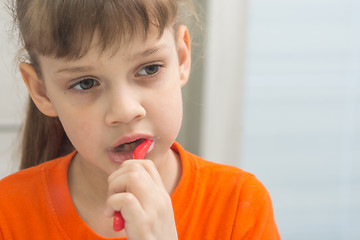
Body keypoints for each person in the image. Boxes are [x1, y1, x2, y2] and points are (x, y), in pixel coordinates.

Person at [0, 0, 280, 239]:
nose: (125, 110)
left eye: (149, 68)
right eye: (85, 83)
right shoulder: (8, 214)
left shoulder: (238, 207)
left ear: (181, 58)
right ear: (41, 91)